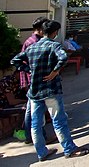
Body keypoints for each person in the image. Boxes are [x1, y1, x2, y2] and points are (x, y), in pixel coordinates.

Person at [11, 20, 89, 161]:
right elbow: (63, 57)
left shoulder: (32, 48)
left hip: (35, 91)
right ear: (54, 33)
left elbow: (15, 61)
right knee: (59, 120)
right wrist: (55, 71)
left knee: (36, 124)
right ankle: (69, 149)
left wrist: (29, 69)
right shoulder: (54, 45)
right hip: (51, 89)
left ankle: (41, 153)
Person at [19, 17, 51, 145]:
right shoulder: (35, 42)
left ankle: (29, 135)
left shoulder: (31, 41)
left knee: (30, 108)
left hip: (31, 79)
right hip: (35, 80)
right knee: (37, 109)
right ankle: (41, 137)